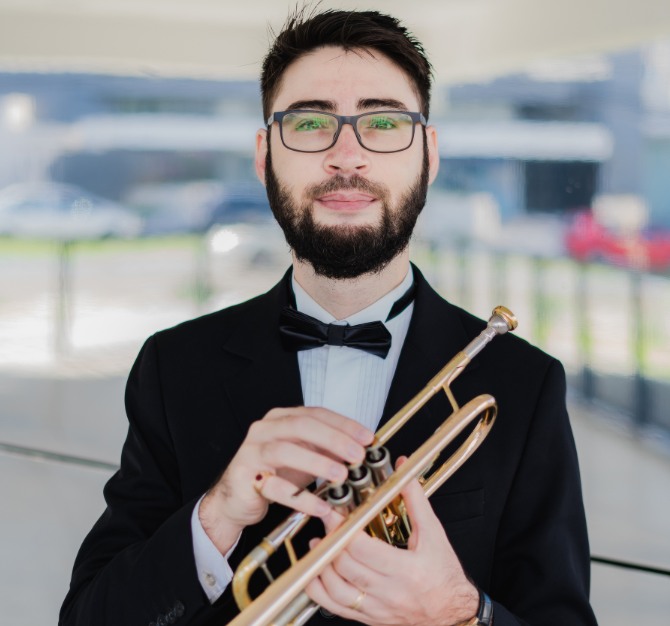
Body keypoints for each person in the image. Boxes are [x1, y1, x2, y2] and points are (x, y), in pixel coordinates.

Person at [60, 9, 598, 626]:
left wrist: (459, 610)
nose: (347, 156)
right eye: (310, 123)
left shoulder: (522, 382)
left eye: (384, 123)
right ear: (265, 155)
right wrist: (218, 513)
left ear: (428, 154)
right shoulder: (175, 366)